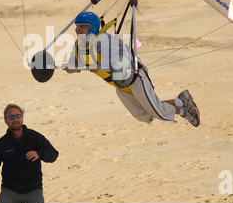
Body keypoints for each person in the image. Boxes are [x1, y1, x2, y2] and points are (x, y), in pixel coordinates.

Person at [62, 11, 200, 127]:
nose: (77, 29)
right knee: (143, 115)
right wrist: (68, 67)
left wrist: (99, 65)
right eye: (77, 26)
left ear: (92, 27)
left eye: (82, 26)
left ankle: (185, 111)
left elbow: (120, 58)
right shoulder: (78, 45)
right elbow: (74, 63)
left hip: (134, 77)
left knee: (158, 111)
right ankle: (181, 101)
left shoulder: (103, 40)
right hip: (119, 84)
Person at [0, 103, 59, 203]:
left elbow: (53, 154)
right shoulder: (1, 144)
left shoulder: (34, 137)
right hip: (10, 190)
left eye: (18, 116)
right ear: (5, 120)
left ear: (22, 118)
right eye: (11, 117)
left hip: (33, 189)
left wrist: (39, 153)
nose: (15, 119)